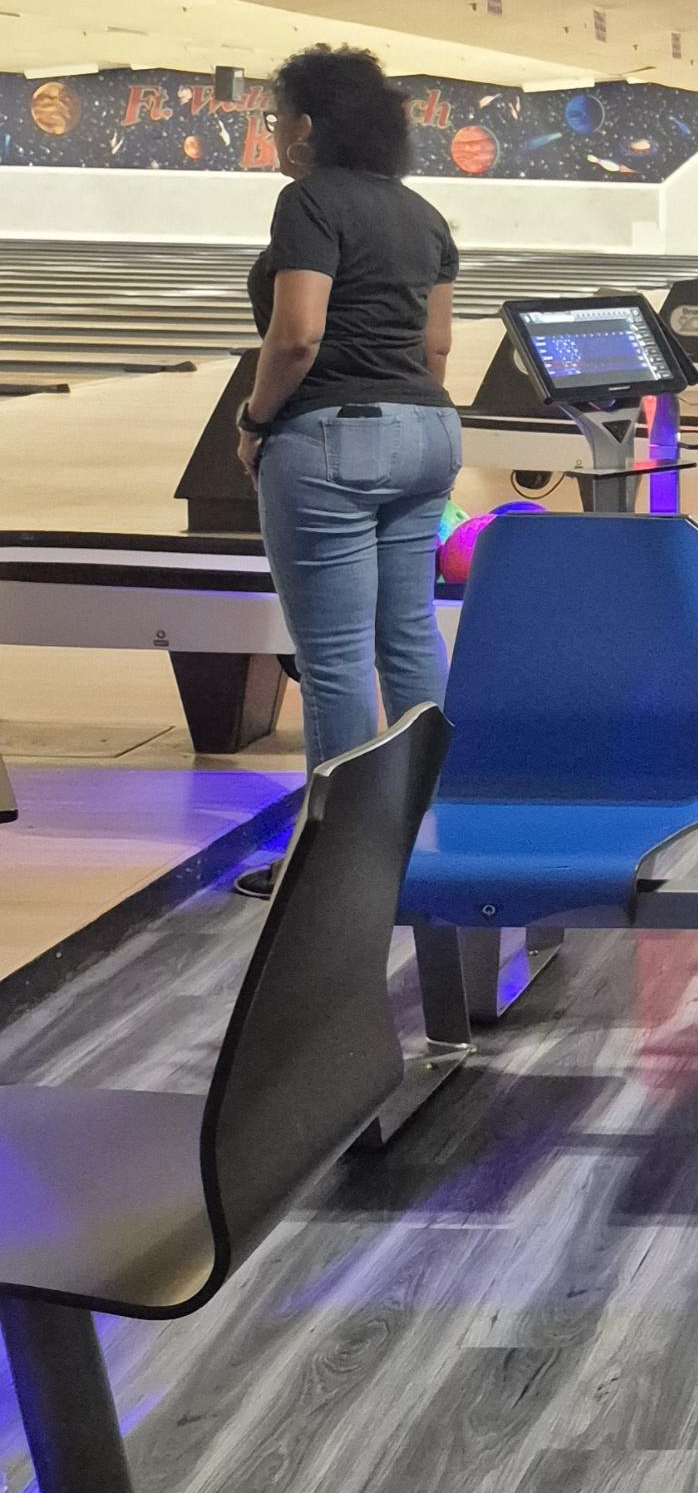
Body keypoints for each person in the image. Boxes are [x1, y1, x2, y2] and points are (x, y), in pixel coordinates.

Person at [236, 47, 462, 882]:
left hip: (332, 436)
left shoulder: (309, 201)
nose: (275, 135)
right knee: (408, 635)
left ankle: (335, 865)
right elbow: (436, 347)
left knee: (332, 655)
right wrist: (404, 423)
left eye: (275, 119)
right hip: (429, 433)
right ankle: (429, 833)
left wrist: (256, 420)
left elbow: (296, 334)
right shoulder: (425, 215)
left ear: (305, 126)